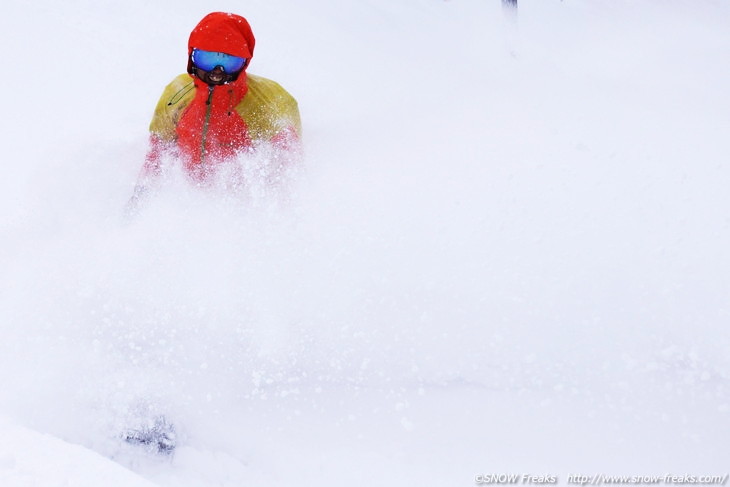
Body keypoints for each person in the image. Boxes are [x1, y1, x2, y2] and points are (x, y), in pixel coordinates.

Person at [127, 12, 302, 212]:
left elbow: (288, 170)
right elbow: (159, 151)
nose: (217, 71)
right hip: (187, 198)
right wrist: (141, 198)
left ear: (244, 63)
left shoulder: (268, 103)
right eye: (208, 58)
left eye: (229, 61)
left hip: (240, 205)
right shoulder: (176, 94)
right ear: (192, 57)